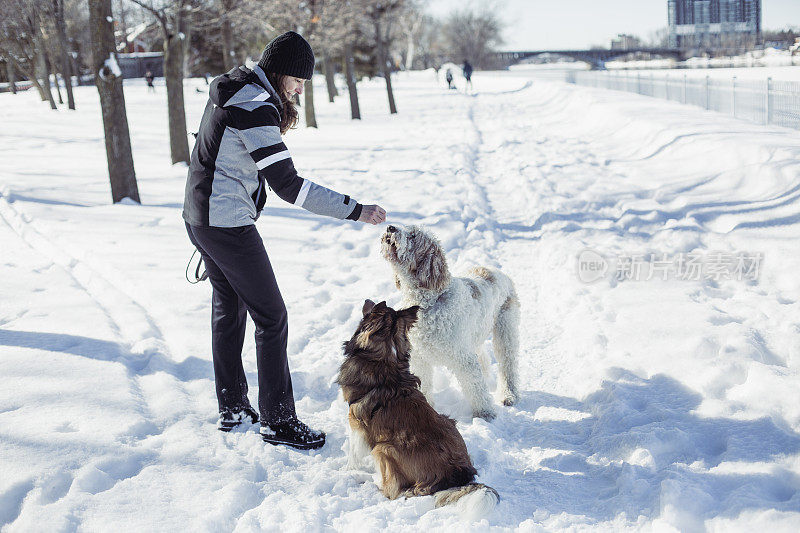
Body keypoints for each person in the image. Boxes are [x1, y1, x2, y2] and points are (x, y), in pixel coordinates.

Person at [182, 31, 386, 450]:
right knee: (271, 316)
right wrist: (356, 210)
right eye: (298, 79)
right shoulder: (252, 106)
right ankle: (277, 420)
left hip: (202, 217)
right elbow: (289, 185)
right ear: (280, 73)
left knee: (230, 308)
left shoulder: (235, 89)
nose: (301, 88)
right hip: (226, 225)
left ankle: (234, 407)